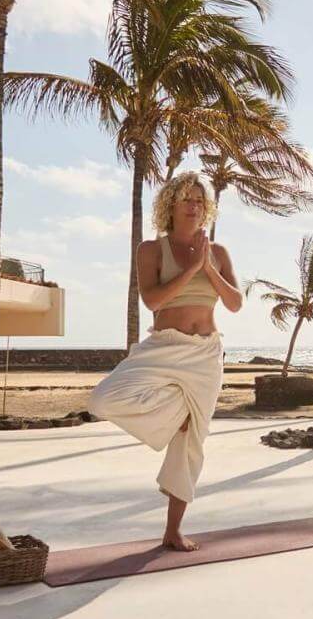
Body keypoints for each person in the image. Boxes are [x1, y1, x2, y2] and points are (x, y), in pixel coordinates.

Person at [88, 172, 242, 551]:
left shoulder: (218, 252)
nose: (193, 205)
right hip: (164, 346)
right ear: (170, 204)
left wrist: (208, 268)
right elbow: (154, 302)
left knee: (191, 445)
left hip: (205, 353)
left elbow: (236, 303)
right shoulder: (151, 250)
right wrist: (191, 269)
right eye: (186, 198)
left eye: (199, 199)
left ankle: (172, 530)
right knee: (102, 400)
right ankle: (174, 416)